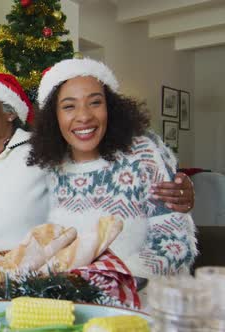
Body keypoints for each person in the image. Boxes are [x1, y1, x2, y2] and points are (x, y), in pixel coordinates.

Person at [0, 73, 195, 252]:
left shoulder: (45, 153)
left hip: (24, 268)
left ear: (10, 112)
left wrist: (174, 190)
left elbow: (102, 177)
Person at [27, 58, 197, 277]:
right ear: (54, 117)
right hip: (71, 300)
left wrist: (104, 278)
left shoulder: (143, 153)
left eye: (95, 102)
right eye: (69, 106)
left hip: (145, 299)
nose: (84, 116)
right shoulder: (50, 168)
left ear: (111, 107)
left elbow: (175, 246)